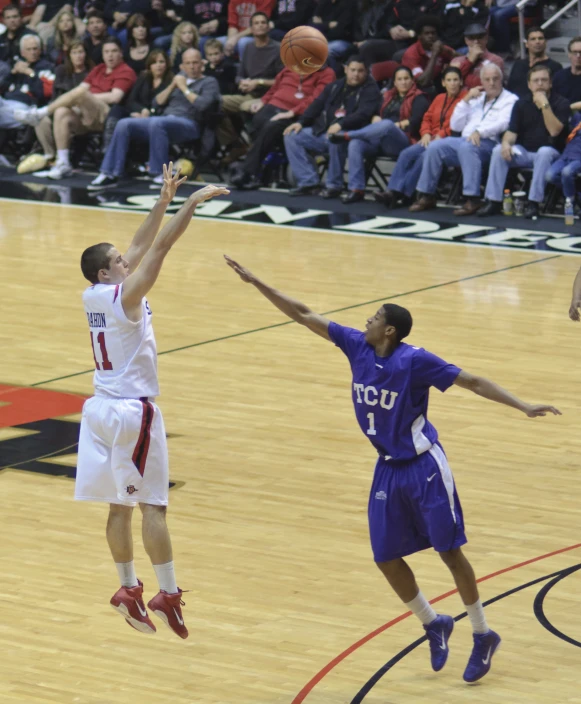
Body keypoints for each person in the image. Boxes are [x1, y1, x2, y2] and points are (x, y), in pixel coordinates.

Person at [224, 253, 560, 682]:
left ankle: (482, 632)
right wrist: (257, 280)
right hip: (386, 467)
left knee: (449, 553)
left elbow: (471, 381)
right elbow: (304, 313)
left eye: (374, 317)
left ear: (390, 331)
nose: (365, 320)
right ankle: (433, 622)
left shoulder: (415, 360)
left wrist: (523, 405)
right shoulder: (355, 346)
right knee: (385, 556)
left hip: (424, 467)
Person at [77, 168, 229, 638]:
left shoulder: (94, 295)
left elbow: (140, 246)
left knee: (117, 508)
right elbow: (158, 248)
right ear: (108, 272)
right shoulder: (125, 298)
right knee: (154, 507)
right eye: (120, 260)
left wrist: (162, 199)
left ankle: (127, 588)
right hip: (131, 412)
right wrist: (191, 204)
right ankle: (167, 593)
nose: (129, 259)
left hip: (99, 410)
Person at [87, 48, 219, 188]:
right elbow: (157, 102)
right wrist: (173, 85)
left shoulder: (209, 82)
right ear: (182, 66)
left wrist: (184, 88)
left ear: (202, 64)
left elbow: (203, 105)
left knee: (157, 122)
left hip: (190, 124)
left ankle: (159, 174)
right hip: (164, 121)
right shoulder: (178, 79)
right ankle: (109, 173)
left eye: (195, 62)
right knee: (124, 124)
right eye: (188, 63)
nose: (192, 66)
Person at [14, 37, 136, 179]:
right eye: (107, 51)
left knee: (82, 93)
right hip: (85, 114)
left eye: (114, 51)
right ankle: (63, 163)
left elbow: (115, 97)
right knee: (61, 112)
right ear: (102, 54)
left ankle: (41, 112)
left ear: (121, 53)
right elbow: (80, 89)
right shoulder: (99, 69)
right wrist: (79, 100)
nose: (110, 55)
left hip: (107, 115)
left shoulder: (125, 71)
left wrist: (85, 98)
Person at [410, 63, 517, 215]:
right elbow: (456, 125)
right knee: (436, 146)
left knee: (467, 147)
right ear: (482, 82)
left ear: (502, 79)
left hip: (489, 143)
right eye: (487, 79)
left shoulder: (510, 99)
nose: (491, 83)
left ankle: (472, 198)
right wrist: (466, 100)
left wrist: (480, 132)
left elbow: (503, 123)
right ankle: (427, 195)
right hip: (464, 140)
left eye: (495, 78)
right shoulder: (477, 98)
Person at [479, 65, 569, 219]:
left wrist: (544, 105)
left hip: (553, 154)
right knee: (497, 150)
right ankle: (493, 201)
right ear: (529, 85)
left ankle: (533, 203)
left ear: (551, 83)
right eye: (536, 81)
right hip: (526, 153)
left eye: (544, 80)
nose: (540, 84)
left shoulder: (561, 103)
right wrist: (506, 143)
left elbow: (554, 131)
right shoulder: (521, 104)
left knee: (544, 151)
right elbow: (512, 132)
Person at [283, 55, 380, 198]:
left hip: (352, 136)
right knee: (292, 135)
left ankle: (334, 185)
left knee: (335, 138)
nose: (356, 74)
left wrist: (341, 124)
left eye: (360, 71)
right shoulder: (335, 85)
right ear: (345, 69)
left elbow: (363, 114)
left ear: (366, 72)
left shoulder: (371, 90)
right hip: (324, 131)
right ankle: (308, 182)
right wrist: (301, 122)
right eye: (353, 70)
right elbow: (317, 104)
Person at [329, 65, 429, 203]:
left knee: (387, 124)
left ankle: (349, 134)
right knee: (355, 144)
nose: (403, 82)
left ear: (412, 80)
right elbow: (374, 113)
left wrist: (398, 125)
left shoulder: (419, 98)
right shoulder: (387, 96)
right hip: (379, 140)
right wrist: (375, 117)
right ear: (394, 82)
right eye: (399, 79)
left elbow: (416, 121)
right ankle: (356, 189)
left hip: (402, 141)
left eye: (406, 78)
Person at [230, 64, 336, 190]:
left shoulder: (326, 73)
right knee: (255, 119)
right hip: (273, 106)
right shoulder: (290, 67)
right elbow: (274, 88)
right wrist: (263, 101)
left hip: (297, 115)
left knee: (272, 127)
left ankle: (248, 171)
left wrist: (292, 112)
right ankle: (263, 168)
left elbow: (316, 101)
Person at [375, 67, 466, 208]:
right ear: (443, 83)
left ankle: (401, 194)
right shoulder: (439, 98)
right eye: (449, 80)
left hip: (448, 140)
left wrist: (440, 135)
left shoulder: (465, 100)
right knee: (407, 153)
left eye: (455, 80)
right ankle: (393, 191)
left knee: (422, 157)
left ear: (461, 82)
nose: (452, 83)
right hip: (429, 138)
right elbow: (426, 118)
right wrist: (426, 133)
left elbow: (457, 123)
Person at [32, 40, 94, 171]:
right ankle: (52, 157)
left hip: (81, 115)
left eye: (81, 52)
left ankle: (64, 159)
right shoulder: (61, 71)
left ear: (86, 54)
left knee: (62, 114)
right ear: (69, 55)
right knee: (41, 121)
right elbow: (55, 96)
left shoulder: (92, 73)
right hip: (59, 111)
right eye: (74, 52)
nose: (78, 56)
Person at [0, 33, 54, 130]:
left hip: (26, 107)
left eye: (35, 49)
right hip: (6, 102)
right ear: (22, 52)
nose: (32, 52)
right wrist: (12, 73)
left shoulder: (47, 67)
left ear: (40, 50)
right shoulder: (19, 65)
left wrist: (31, 74)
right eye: (28, 49)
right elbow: (2, 88)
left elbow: (42, 94)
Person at [401, 16, 455, 92]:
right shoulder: (411, 54)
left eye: (433, 33)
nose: (431, 36)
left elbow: (463, 59)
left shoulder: (440, 47)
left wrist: (449, 52)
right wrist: (434, 54)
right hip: (415, 90)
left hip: (437, 82)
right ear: (419, 36)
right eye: (426, 33)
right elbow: (423, 82)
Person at [507, 27, 562, 99]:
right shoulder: (518, 64)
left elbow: (557, 94)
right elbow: (510, 89)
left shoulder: (555, 67)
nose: (537, 42)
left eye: (540, 38)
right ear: (526, 44)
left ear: (545, 42)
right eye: (533, 39)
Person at [450, 23, 504, 90]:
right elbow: (451, 84)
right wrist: (470, 60)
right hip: (462, 98)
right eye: (471, 38)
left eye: (480, 37)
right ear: (466, 40)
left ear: (486, 38)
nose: (476, 41)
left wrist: (465, 79)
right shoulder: (456, 61)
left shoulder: (496, 60)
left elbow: (491, 84)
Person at [545, 117, 581, 206]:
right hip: (565, 155)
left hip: (579, 158)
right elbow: (572, 109)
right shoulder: (577, 119)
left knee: (567, 172)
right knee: (549, 176)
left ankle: (570, 200)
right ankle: (573, 191)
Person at [553, 37, 581, 113]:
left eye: (580, 52)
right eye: (575, 52)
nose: (578, 56)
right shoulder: (559, 77)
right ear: (569, 54)